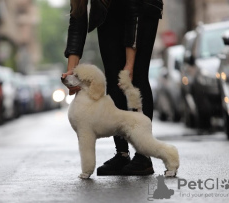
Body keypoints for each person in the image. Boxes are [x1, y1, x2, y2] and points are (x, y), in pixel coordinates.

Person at [62, 0, 163, 176]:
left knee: (136, 75)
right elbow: (78, 18)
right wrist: (71, 71)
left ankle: (143, 155)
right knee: (113, 76)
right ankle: (122, 154)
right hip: (108, 10)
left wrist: (129, 65)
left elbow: (134, 13)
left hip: (142, 8)